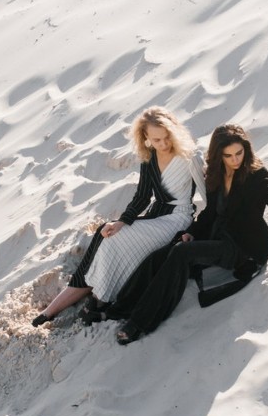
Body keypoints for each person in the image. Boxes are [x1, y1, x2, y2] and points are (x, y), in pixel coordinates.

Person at [115, 124, 268, 344]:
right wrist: (192, 232)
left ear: (246, 150)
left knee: (181, 254)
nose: (235, 159)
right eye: (228, 155)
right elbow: (210, 212)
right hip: (219, 235)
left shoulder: (256, 176)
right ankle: (121, 307)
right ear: (218, 154)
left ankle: (139, 323)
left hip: (245, 247)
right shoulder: (215, 174)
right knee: (162, 254)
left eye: (239, 153)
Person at [32, 107, 204, 326]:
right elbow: (142, 197)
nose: (163, 144)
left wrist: (194, 231)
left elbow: (209, 198)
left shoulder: (190, 156)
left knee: (114, 242)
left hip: (178, 220)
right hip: (155, 217)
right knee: (107, 232)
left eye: (166, 137)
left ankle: (98, 298)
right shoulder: (149, 158)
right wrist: (122, 221)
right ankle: (69, 299)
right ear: (146, 138)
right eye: (156, 139)